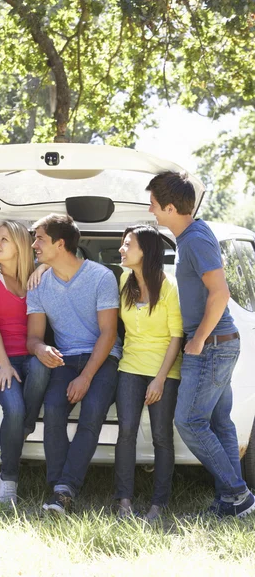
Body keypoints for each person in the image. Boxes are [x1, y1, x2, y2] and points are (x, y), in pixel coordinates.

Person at [146, 171, 255, 518]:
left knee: (190, 421)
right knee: (221, 423)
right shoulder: (192, 234)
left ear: (171, 207)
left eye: (154, 205)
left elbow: (220, 293)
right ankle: (232, 502)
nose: (151, 211)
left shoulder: (194, 239)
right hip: (216, 344)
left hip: (212, 346)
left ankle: (239, 494)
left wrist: (197, 341)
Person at [26, 213, 122, 514]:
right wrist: (41, 348)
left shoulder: (101, 277)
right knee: (53, 409)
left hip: (103, 357)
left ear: (60, 243)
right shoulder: (38, 284)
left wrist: (86, 377)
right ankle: (59, 489)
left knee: (92, 411)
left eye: (40, 239)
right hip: (65, 359)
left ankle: (65, 488)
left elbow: (109, 334)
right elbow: (33, 337)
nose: (34, 245)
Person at [0, 221, 50, 505]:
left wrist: (43, 267)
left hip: (29, 356)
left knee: (42, 366)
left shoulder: (34, 279)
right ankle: (8, 478)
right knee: (14, 409)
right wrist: (4, 365)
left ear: (19, 246)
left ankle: (21, 430)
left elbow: (66, 266)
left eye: (4, 239)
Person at [115, 225, 183, 521]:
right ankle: (124, 503)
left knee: (161, 436)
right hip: (129, 365)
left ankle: (158, 505)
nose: (122, 249)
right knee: (126, 432)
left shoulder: (169, 286)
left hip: (163, 370)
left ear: (146, 251)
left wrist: (159, 378)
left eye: (128, 244)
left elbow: (176, 336)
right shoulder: (122, 281)